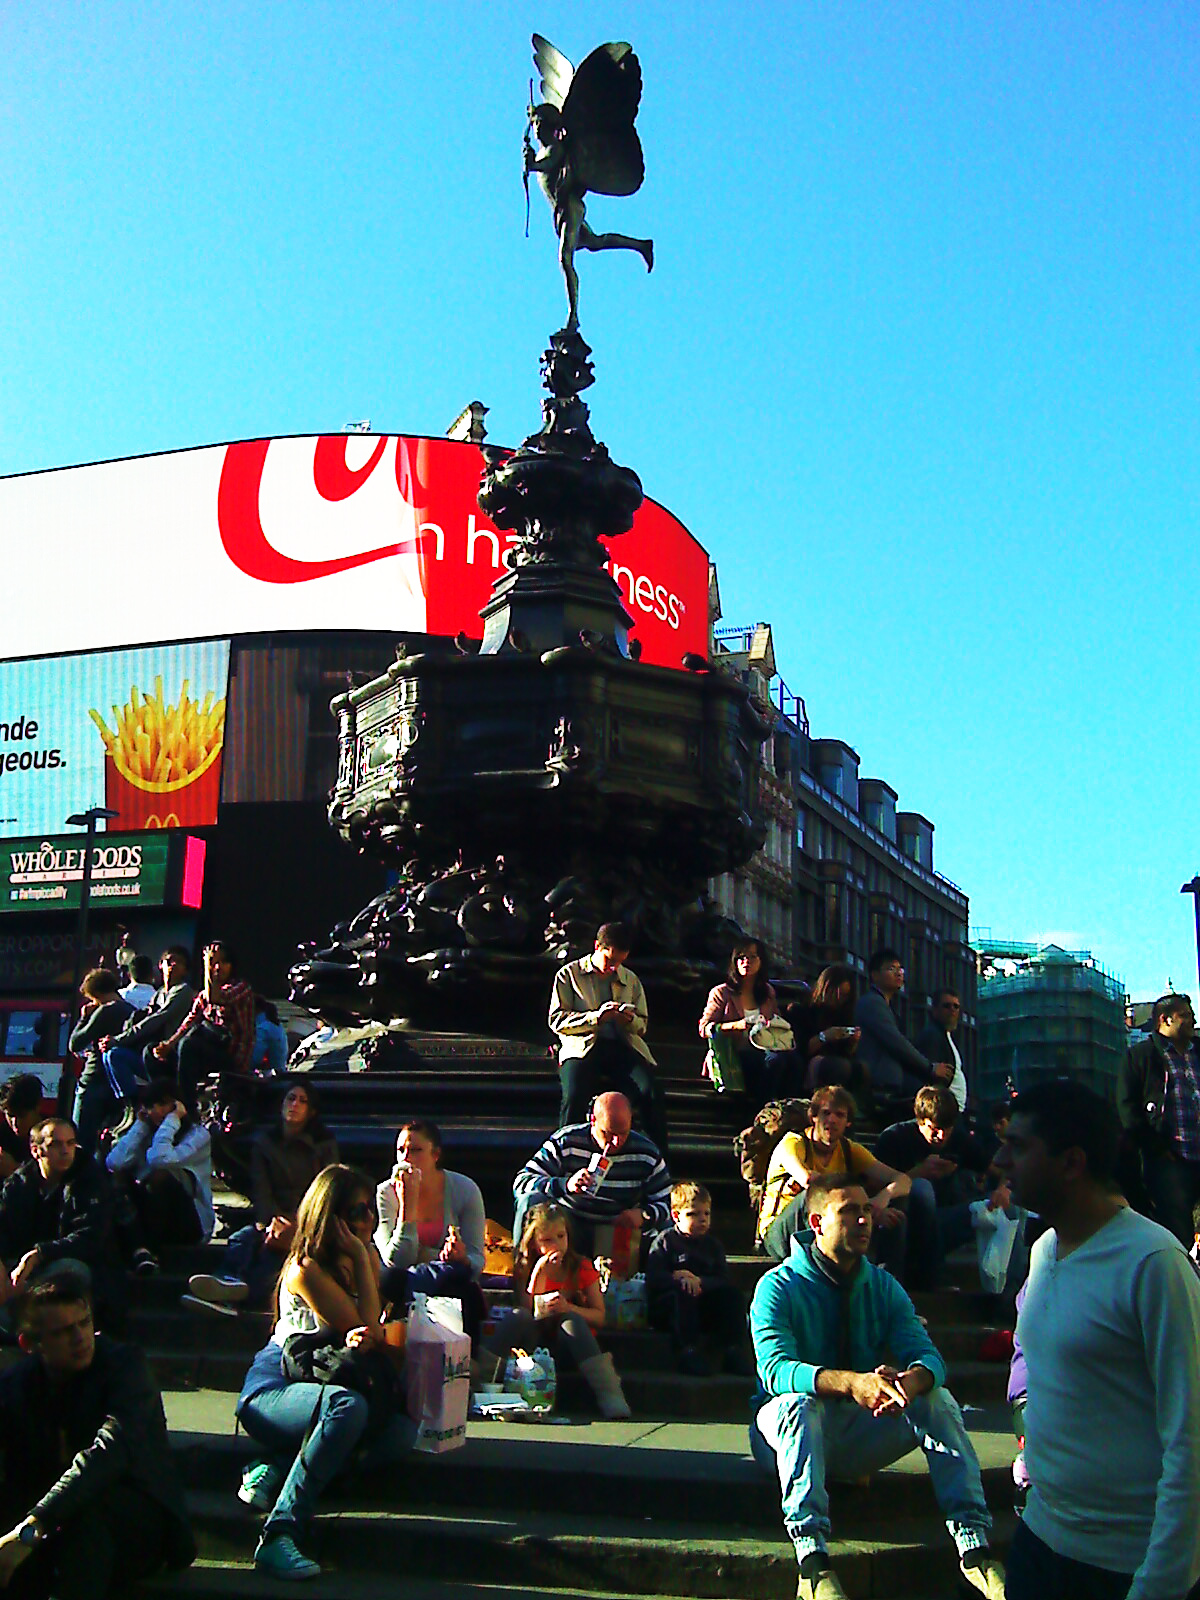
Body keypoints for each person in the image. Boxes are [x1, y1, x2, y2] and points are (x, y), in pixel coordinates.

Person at [749, 1173, 1006, 1600]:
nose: (864, 1220)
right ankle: (812, 1564)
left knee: (937, 1399)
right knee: (798, 1404)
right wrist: (852, 1383)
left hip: (857, 1431)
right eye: (850, 1212)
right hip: (782, 1435)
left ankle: (975, 1550)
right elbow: (775, 1370)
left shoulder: (884, 1285)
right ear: (816, 1223)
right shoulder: (777, 1287)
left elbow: (929, 1357)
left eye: (867, 1210)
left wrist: (910, 1381)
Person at [995, 1079, 1200, 1600]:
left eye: (1018, 1146)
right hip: (1040, 1544)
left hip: (1124, 1567)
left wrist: (1161, 1583)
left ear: (1071, 1162)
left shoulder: (1155, 1263)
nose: (1000, 1160)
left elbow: (1191, 1436)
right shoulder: (1042, 1252)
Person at [235, 1163, 395, 1581]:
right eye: (358, 1211)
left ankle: (277, 1464)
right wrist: (362, 1256)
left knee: (402, 1431)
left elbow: (371, 1331)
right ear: (333, 1216)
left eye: (369, 1210)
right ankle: (279, 1533)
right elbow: (364, 1324)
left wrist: (364, 1257)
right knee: (349, 1408)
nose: (368, 1220)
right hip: (275, 1385)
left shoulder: (364, 1256)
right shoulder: (305, 1268)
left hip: (320, 1379)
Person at [0, 1275, 195, 1598]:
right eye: (63, 1332)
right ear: (30, 1344)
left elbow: (107, 1453)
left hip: (138, 1520)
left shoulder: (125, 1367)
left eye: (84, 1323)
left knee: (86, 1515)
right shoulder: (17, 1385)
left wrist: (33, 1526)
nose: (79, 1338)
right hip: (54, 1519)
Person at [185, 1080, 339, 1313]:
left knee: (271, 1254)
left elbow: (326, 1190)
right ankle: (223, 1282)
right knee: (243, 1238)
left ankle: (234, 1298)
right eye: (291, 1098)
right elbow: (262, 1188)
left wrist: (298, 1223)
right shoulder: (266, 1143)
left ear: (311, 1111)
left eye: (302, 1101)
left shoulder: (323, 1144)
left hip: (308, 1220)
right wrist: (270, 1221)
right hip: (274, 1217)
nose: (295, 1105)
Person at [486, 1201, 631, 1418]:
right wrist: (539, 1272)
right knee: (518, 1317)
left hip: (568, 1343)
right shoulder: (526, 1266)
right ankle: (481, 1378)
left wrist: (568, 1306)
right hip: (533, 1343)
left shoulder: (580, 1266)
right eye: (547, 1240)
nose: (556, 1245)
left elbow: (600, 1316)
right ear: (534, 1243)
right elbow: (528, 1308)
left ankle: (610, 1393)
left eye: (561, 1237)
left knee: (571, 1320)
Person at [756, 1086, 911, 1273]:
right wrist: (866, 1208)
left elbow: (903, 1180)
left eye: (839, 1115)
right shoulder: (793, 1142)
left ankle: (886, 1282)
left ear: (848, 1123)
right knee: (813, 1198)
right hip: (778, 1234)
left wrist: (881, 1200)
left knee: (896, 1211)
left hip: (831, 1224)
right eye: (826, 1113)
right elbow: (809, 1180)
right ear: (813, 1116)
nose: (832, 1120)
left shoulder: (849, 1149)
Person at [875, 1086, 1011, 1291]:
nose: (940, 1136)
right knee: (922, 1188)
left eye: (946, 1130)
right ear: (921, 1121)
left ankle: (1006, 1292)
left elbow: (1001, 1170)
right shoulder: (895, 1138)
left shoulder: (959, 1139)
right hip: (904, 1224)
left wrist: (1003, 1190)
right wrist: (918, 1173)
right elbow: (875, 1190)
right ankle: (928, 1275)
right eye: (934, 1129)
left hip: (943, 1222)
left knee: (1003, 1207)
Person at [549, 922, 668, 1156]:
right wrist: (596, 1018)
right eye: (609, 960)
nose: (613, 968)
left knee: (651, 1091)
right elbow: (557, 1020)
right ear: (597, 947)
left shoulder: (630, 979)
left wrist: (629, 1020)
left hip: (622, 1046)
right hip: (583, 1046)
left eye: (619, 962)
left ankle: (659, 1158)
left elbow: (642, 1024)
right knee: (574, 1093)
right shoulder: (569, 975)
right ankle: (562, 1153)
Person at [513, 1090, 671, 1258]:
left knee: (669, 1226)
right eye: (608, 1133)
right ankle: (523, 1269)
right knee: (530, 1201)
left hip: (615, 1227)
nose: (615, 1142)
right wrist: (564, 1185)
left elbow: (668, 1201)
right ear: (593, 1120)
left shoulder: (646, 1152)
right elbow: (522, 1182)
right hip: (569, 1224)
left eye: (623, 1133)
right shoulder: (567, 1141)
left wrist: (644, 1215)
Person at [0, 1117, 120, 1332]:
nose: (65, 1151)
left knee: (71, 1271)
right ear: (37, 1150)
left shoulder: (90, 1181)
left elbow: (89, 1238)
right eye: (56, 1144)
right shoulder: (17, 1186)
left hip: (69, 1265)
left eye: (70, 1143)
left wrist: (40, 1253)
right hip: (20, 1269)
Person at [374, 1119, 487, 1343]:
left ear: (435, 1155)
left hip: (448, 1282)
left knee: (463, 1288)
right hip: (404, 1281)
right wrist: (408, 1206)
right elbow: (395, 1262)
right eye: (400, 1150)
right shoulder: (386, 1193)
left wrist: (462, 1258)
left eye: (415, 1150)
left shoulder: (465, 1190)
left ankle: (466, 1359)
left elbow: (477, 1261)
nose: (406, 1158)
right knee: (391, 1279)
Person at [1118, 991, 1200, 1246]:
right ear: (1165, 1020)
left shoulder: (1198, 1053)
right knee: (1177, 1230)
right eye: (1185, 1016)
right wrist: (1154, 1146)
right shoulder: (1140, 1056)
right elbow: (1126, 1107)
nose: (1194, 1020)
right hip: (1170, 1157)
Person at [646, 1180, 749, 1377]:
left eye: (706, 1214)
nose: (702, 1220)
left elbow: (722, 1278)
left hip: (703, 1302)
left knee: (732, 1296)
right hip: (671, 1306)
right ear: (676, 1216)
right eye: (693, 1214)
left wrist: (700, 1281)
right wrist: (678, 1280)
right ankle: (688, 1351)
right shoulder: (665, 1241)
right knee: (682, 1294)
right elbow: (654, 1278)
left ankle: (733, 1350)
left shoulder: (713, 1245)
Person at [105, 1078, 215, 1252]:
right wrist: (139, 1127)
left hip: (189, 1220)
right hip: (149, 1216)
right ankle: (137, 1246)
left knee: (160, 1177)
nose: (155, 1111)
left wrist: (171, 1121)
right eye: (150, 1106)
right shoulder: (145, 1131)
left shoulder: (198, 1135)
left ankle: (148, 1249)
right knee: (119, 1177)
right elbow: (114, 1163)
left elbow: (160, 1159)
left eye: (162, 1105)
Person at [854, 949, 952, 1118]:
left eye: (900, 969)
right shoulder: (872, 1003)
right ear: (874, 975)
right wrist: (930, 1067)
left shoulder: (887, 1006)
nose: (898, 973)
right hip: (881, 1083)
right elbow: (895, 1042)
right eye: (891, 968)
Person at [156, 941, 254, 1109]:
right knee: (153, 1054)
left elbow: (215, 998)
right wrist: (168, 1045)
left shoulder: (240, 988)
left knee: (189, 1044)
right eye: (214, 963)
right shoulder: (203, 995)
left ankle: (185, 1107)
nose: (218, 967)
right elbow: (189, 1022)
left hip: (232, 1059)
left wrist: (208, 968)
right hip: (208, 1053)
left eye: (223, 962)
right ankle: (164, 1101)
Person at [699, 938, 797, 1106]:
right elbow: (704, 1028)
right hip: (734, 1054)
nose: (746, 962)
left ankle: (786, 1111)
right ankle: (760, 1111)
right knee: (774, 1061)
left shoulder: (767, 992)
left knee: (794, 1061)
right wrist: (735, 1025)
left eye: (752, 957)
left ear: (761, 961)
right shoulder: (721, 992)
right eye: (741, 957)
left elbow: (775, 1018)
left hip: (763, 1047)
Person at [100, 947, 194, 1103]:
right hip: (147, 1053)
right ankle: (129, 1106)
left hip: (168, 1058)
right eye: (169, 961)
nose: (173, 965)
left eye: (179, 962)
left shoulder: (183, 991)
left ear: (185, 970)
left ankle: (142, 1104)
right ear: (160, 965)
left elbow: (158, 1018)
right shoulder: (159, 994)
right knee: (112, 1055)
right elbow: (143, 1018)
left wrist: (119, 1039)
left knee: (117, 1052)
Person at [68, 969, 134, 1156]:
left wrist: (84, 1017)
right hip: (115, 1081)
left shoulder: (106, 1010)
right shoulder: (129, 1009)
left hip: (94, 1078)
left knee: (82, 1139)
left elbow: (75, 1043)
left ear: (96, 995)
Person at [783, 965, 864, 1096]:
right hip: (808, 1064)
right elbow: (800, 1048)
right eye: (836, 994)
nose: (839, 1000)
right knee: (838, 1066)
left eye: (844, 996)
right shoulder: (801, 1011)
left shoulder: (842, 1015)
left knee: (859, 1068)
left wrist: (853, 1041)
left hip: (834, 1060)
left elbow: (846, 1054)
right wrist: (825, 1036)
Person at [915, 989, 968, 1112]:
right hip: (943, 1112)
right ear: (935, 1010)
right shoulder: (932, 1035)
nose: (952, 1010)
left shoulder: (947, 1036)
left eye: (956, 1006)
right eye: (947, 1006)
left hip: (951, 1110)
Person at [0, 1075, 45, 1182]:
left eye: (22, 1116)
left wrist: (16, 1170)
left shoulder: (55, 1135)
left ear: (37, 1108)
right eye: (10, 1116)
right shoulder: (2, 1134)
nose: (15, 1123)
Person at [252, 997, 290, 1075]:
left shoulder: (262, 1028)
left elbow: (256, 1058)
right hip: (281, 1071)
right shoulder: (278, 1026)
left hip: (270, 1076)